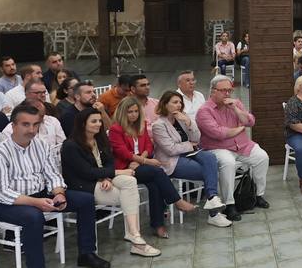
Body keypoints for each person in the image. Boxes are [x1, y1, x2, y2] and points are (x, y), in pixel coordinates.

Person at [0, 104, 111, 268]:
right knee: (34, 217)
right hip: (6, 203)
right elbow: (0, 192)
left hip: (40, 194)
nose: (31, 130)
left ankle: (86, 253)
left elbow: (52, 174)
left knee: (85, 200)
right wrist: (36, 203)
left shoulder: (41, 145)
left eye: (35, 125)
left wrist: (58, 193)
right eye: (25, 125)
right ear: (13, 125)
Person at [61, 108, 160, 258]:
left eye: (100, 121)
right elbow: (86, 172)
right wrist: (114, 173)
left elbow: (109, 163)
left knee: (130, 181)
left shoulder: (100, 139)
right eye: (94, 121)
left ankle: (134, 235)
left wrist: (107, 177)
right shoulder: (71, 145)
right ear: (82, 124)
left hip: (103, 178)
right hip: (83, 185)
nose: (99, 124)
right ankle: (136, 238)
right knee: (128, 195)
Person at [108, 95, 196, 239]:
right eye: (130, 112)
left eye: (136, 111)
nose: (134, 115)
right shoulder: (116, 129)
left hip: (139, 164)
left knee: (155, 185)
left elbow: (149, 145)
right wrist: (145, 161)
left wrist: (141, 159)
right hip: (125, 168)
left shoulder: (140, 124)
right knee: (157, 172)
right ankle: (177, 201)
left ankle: (158, 225)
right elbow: (121, 151)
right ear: (123, 112)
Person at [197, 75, 271, 219]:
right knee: (228, 163)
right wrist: (238, 129)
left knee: (262, 157)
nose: (227, 94)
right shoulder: (204, 111)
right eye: (223, 90)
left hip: (242, 145)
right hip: (218, 147)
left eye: (229, 90)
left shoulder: (235, 103)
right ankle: (229, 204)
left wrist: (236, 109)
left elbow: (250, 122)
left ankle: (257, 195)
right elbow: (218, 133)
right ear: (213, 91)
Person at [152, 90, 227, 226]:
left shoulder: (181, 118)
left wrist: (188, 122)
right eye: (175, 102)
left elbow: (196, 139)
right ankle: (214, 212)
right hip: (172, 161)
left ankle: (212, 199)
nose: (179, 105)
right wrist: (189, 146)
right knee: (209, 171)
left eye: (180, 102)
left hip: (190, 154)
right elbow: (170, 149)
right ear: (165, 104)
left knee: (210, 157)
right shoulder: (158, 125)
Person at [0, 79, 66, 160]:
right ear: (26, 94)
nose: (42, 95)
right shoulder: (15, 118)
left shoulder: (52, 117)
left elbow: (62, 145)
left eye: (43, 92)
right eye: (37, 93)